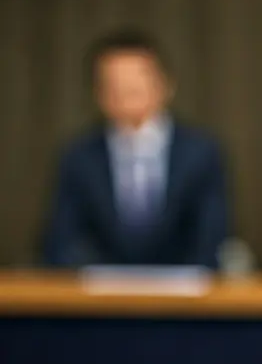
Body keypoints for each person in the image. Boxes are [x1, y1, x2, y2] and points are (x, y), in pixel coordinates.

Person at [42, 29, 229, 268]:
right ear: (98, 93)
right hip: (99, 295)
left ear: (165, 85)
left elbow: (211, 238)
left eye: (135, 84)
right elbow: (61, 239)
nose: (125, 93)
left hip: (183, 295)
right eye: (114, 85)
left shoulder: (201, 153)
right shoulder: (79, 157)